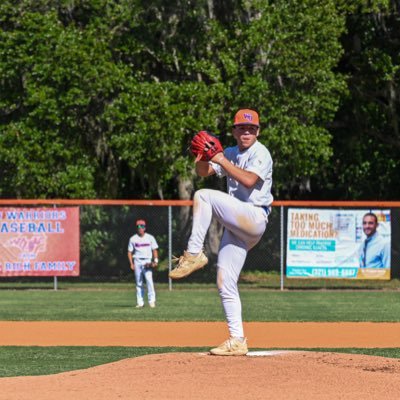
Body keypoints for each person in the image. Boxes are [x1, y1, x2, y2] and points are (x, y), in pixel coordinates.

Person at [169, 109, 273, 356]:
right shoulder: (230, 152)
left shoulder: (261, 152)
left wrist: (221, 159)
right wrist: (203, 156)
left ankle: (194, 253)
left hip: (254, 216)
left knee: (203, 196)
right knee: (225, 281)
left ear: (257, 131)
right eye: (242, 128)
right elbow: (203, 172)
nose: (246, 132)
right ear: (234, 130)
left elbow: (249, 181)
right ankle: (237, 340)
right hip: (237, 225)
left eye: (251, 129)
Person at [128, 219, 159, 308]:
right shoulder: (133, 239)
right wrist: (131, 263)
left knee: (149, 281)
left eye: (142, 226)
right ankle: (140, 302)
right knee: (139, 282)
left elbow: (154, 249)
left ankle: (152, 301)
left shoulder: (150, 237)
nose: (140, 228)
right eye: (138, 226)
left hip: (147, 261)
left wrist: (156, 261)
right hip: (137, 260)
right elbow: (129, 252)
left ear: (145, 228)